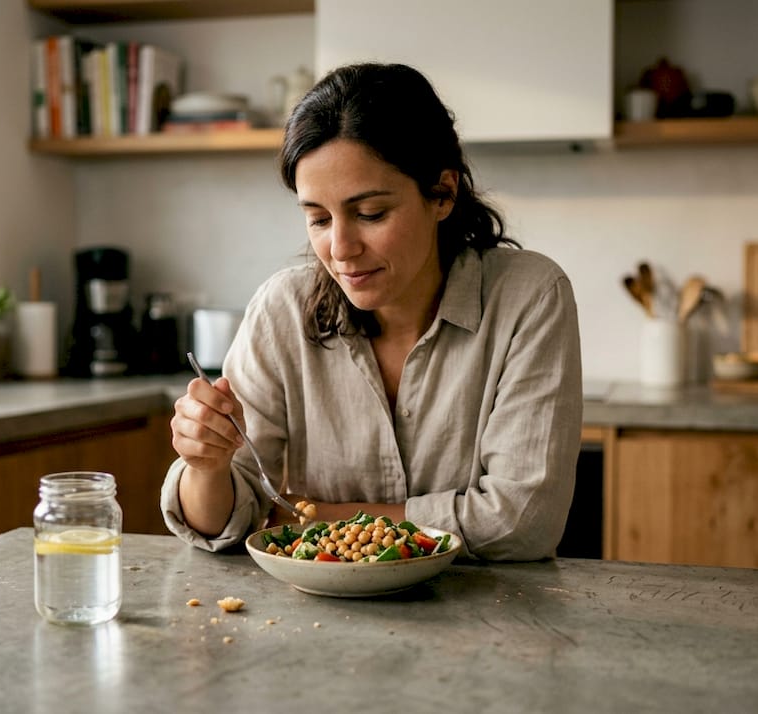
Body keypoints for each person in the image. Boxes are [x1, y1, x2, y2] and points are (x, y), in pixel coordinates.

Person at [160, 63, 582, 561]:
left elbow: (521, 522)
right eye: (318, 218)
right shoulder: (281, 310)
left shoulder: (529, 296)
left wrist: (313, 516)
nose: (340, 249)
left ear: (442, 193)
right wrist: (206, 465)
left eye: (370, 214)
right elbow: (228, 520)